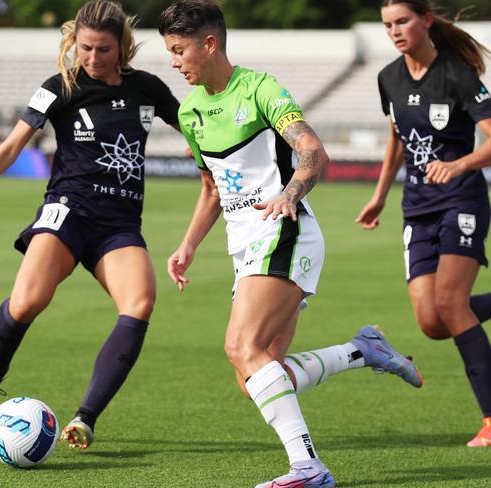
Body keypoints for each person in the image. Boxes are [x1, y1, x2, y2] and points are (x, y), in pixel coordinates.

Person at [158, 1, 422, 487]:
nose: (174, 62)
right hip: (247, 247)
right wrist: (188, 245)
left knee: (241, 346)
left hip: (285, 231)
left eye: (179, 51)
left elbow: (311, 150)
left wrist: (289, 194)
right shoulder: (191, 111)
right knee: (258, 375)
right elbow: (213, 187)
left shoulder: (259, 89)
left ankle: (308, 469)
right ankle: (362, 351)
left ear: (209, 44)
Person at [0, 0, 180, 450]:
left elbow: (195, 128)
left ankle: (85, 419)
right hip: (67, 212)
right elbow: (11, 147)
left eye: (103, 50)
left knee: (141, 303)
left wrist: (199, 148)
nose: (92, 59)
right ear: (74, 44)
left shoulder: (148, 88)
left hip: (120, 225)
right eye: (85, 48)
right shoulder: (59, 87)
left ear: (122, 47)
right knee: (29, 302)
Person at [356, 0, 491, 448]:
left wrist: (461, 165)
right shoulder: (388, 78)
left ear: (426, 21)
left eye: (403, 21)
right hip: (417, 208)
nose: (395, 31)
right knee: (432, 322)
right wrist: (378, 196)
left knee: (452, 305)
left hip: (461, 201)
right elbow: (397, 138)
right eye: (388, 25)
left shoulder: (457, 75)